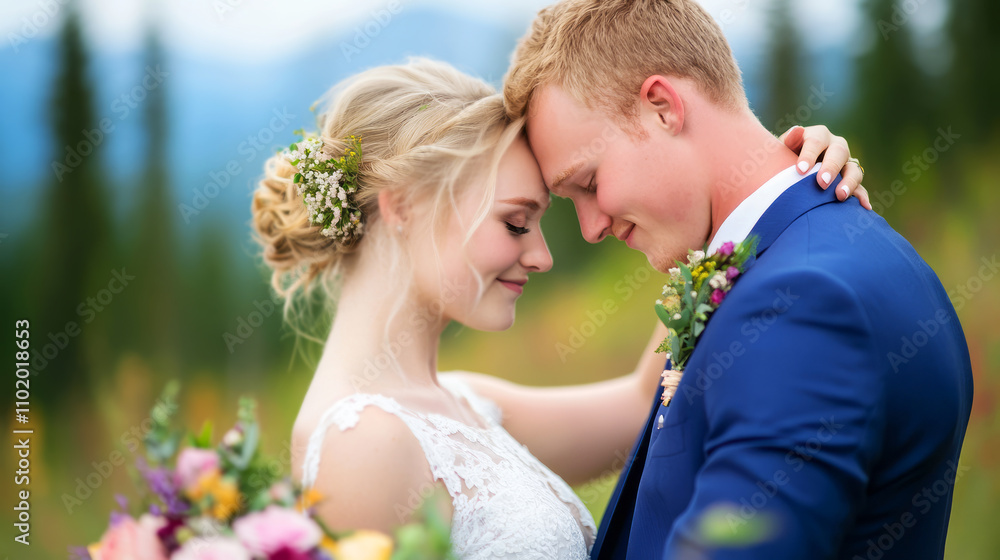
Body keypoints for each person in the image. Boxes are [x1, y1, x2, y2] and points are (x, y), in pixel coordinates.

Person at [252, 58, 866, 559]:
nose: (542, 256)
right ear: (403, 206)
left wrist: (766, 191)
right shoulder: (363, 444)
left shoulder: (461, 403)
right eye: (515, 222)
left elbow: (638, 409)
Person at [503, 1, 974, 559]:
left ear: (661, 107)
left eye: (588, 181)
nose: (590, 228)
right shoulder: (806, 253)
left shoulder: (802, 304)